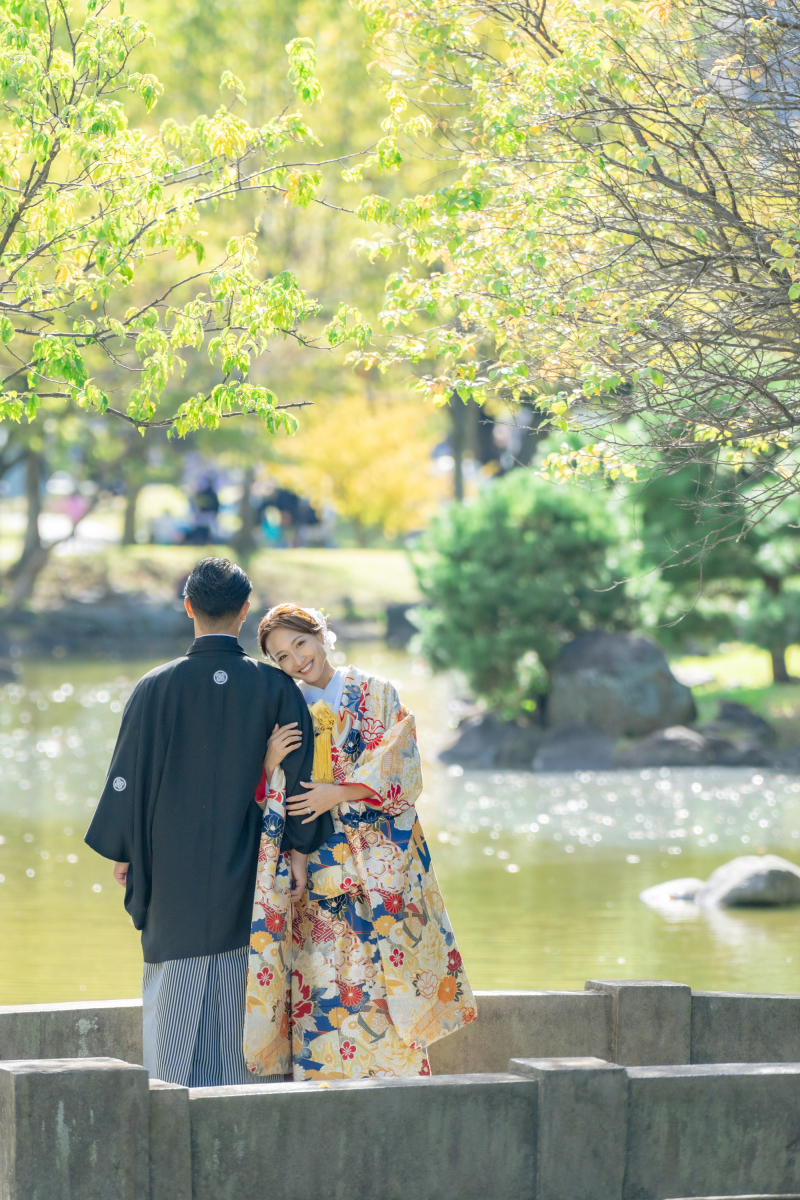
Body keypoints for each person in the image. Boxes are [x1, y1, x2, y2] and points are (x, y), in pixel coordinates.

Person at [84, 559, 332, 1086]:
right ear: (245, 611)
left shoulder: (154, 688)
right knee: (242, 1013)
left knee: (170, 1033)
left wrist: (125, 848)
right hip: (250, 878)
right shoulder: (275, 688)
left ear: (188, 606)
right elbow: (301, 785)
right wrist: (299, 855)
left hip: (172, 880)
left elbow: (127, 778)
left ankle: (169, 1117)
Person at [244, 602, 476, 1080]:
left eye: (300, 644)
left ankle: (398, 1078)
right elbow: (278, 793)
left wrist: (338, 792)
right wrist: (270, 767)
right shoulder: (286, 706)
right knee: (322, 975)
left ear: (322, 633)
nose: (295, 661)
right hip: (319, 865)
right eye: (281, 657)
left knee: (382, 974)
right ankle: (321, 1079)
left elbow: (402, 760)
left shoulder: (375, 691)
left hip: (377, 865)